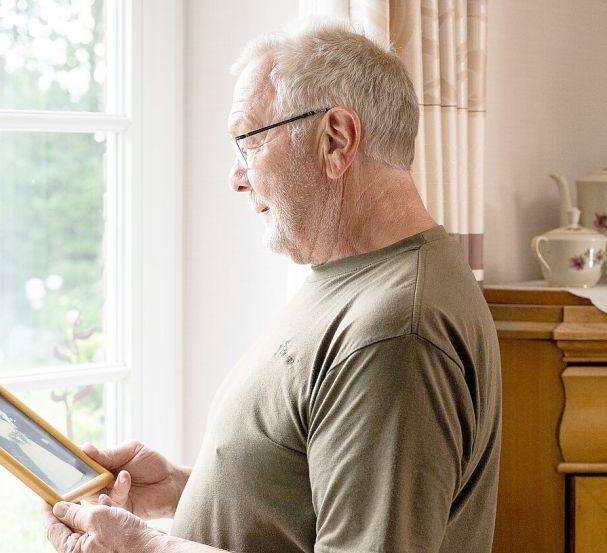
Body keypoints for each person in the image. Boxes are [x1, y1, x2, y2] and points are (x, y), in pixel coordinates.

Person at [43, 22, 501, 553]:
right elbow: (314, 501)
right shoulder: (356, 280)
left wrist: (145, 548)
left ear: (336, 140)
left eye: (249, 141)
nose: (237, 177)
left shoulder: (396, 332)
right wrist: (182, 490)